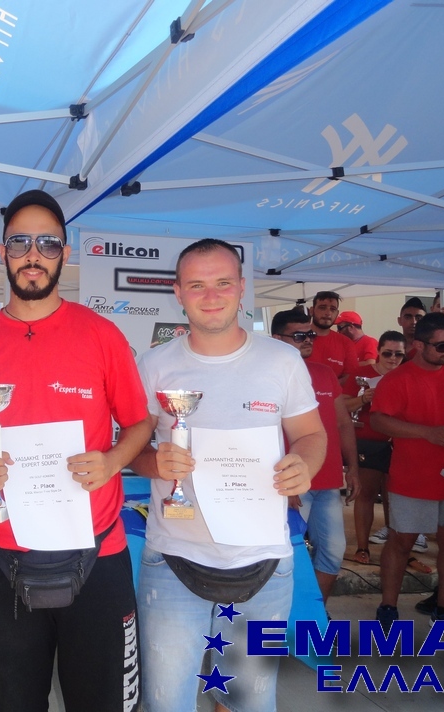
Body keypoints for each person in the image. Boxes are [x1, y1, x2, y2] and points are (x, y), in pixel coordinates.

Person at [0, 190, 152, 712]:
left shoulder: (102, 335)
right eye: (20, 243)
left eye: (48, 243)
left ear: (65, 253)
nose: (33, 255)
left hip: (96, 553)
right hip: (2, 558)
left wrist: (112, 461)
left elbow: (139, 423)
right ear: (3, 253)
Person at [130, 239, 325, 712]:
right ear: (178, 292)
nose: (211, 296)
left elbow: (311, 434)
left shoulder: (282, 360)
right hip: (174, 560)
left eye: (222, 283)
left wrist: (305, 464)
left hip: (264, 563)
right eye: (197, 285)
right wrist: (154, 463)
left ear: (241, 288)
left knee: (249, 704)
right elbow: (132, 449)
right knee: (165, 705)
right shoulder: (153, 363)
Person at [370, 312, 444, 645]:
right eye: (443, 346)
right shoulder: (398, 379)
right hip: (413, 479)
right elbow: (378, 421)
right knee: (401, 543)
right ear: (419, 345)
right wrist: (426, 433)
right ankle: (388, 610)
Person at [272, 308, 359, 604]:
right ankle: (288, 616)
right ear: (277, 339)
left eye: (309, 334)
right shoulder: (266, 377)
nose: (308, 339)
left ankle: (316, 612)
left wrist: (353, 469)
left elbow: (343, 424)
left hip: (328, 482)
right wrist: (285, 484)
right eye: (299, 335)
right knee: (288, 554)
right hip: (290, 485)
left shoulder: (324, 373)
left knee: (333, 552)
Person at [341, 331, 406, 562]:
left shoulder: (408, 375)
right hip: (368, 441)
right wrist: (363, 399)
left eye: (399, 354)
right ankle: (362, 548)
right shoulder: (362, 374)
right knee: (366, 494)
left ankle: (399, 550)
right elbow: (342, 407)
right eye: (387, 353)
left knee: (395, 497)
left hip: (400, 443)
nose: (393, 358)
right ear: (378, 352)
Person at [306, 290, 359, 381]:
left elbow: (350, 376)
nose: (328, 313)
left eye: (333, 309)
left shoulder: (346, 343)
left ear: (337, 313)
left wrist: (329, 387)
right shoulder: (297, 338)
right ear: (312, 311)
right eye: (322, 308)